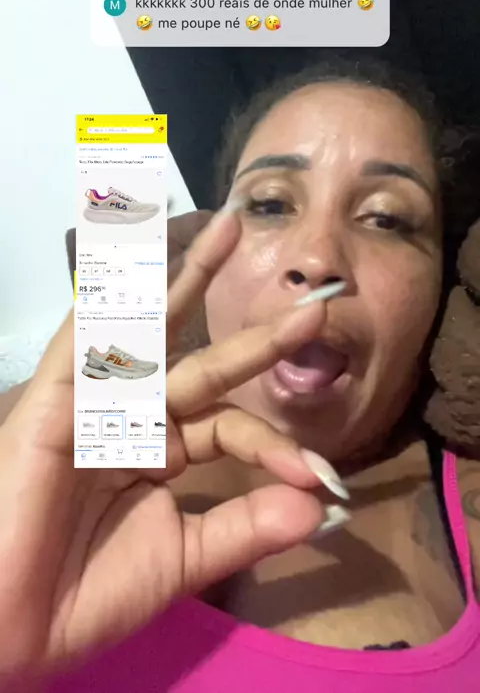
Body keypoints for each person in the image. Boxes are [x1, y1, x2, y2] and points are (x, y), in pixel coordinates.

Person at [0, 59, 479, 693]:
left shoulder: (465, 501)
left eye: (386, 217)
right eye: (271, 204)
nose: (317, 258)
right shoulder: (43, 435)